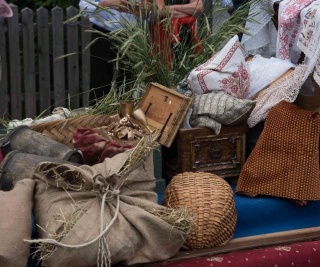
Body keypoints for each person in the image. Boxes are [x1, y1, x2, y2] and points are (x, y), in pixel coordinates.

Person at [79, 0, 150, 103]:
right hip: (103, 33)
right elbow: (83, 5)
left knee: (129, 84)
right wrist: (107, 4)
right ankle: (97, 117)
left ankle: (125, 117)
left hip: (132, 36)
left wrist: (146, 10)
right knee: (99, 82)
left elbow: (151, 13)